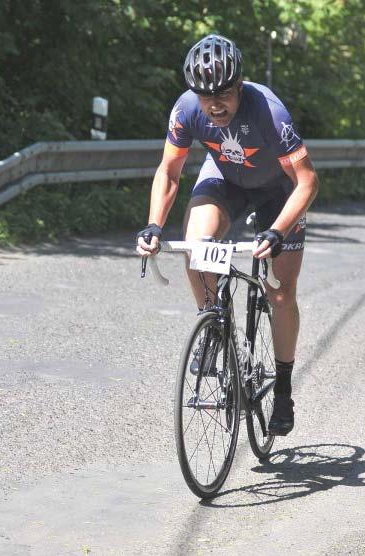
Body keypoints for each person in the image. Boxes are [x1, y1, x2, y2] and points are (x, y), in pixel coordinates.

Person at [136, 34, 319, 436]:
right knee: (196, 247)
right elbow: (169, 171)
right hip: (225, 179)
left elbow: (307, 182)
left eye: (222, 95)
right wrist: (154, 223)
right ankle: (212, 323)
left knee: (282, 291)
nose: (214, 105)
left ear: (240, 86)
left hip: (278, 190)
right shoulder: (186, 109)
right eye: (205, 97)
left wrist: (277, 230)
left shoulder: (270, 113)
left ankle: (284, 390)